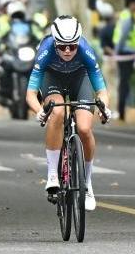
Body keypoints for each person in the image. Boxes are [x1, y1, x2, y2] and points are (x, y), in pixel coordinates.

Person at [26, 15, 111, 212]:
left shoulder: (86, 51)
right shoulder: (45, 50)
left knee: (84, 128)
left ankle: (87, 183)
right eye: (62, 46)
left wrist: (104, 107)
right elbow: (30, 93)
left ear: (78, 42)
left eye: (72, 46)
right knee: (57, 113)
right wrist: (39, 110)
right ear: (54, 43)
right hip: (52, 78)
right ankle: (53, 176)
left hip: (79, 78)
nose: (67, 50)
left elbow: (102, 91)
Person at [112, 0, 135, 121]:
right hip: (126, 54)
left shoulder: (127, 16)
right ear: (132, 4)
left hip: (127, 53)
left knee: (124, 82)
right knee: (124, 83)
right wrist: (118, 51)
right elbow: (123, 36)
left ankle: (122, 110)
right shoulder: (128, 17)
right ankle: (121, 111)